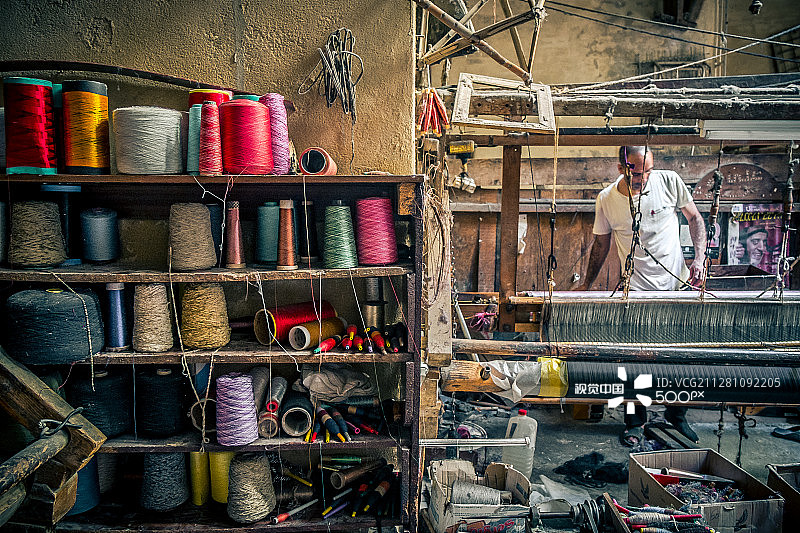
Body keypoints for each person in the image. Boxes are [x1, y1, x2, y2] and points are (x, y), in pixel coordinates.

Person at [577, 146, 707, 447]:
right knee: (637, 361)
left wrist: (698, 258)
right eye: (636, 171)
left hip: (677, 286)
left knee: (680, 360)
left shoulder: (669, 181)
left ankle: (677, 416)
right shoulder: (607, 199)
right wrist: (585, 286)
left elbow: (695, 219)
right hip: (635, 290)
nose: (643, 177)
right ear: (622, 167)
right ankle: (635, 422)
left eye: (647, 170)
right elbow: (601, 245)